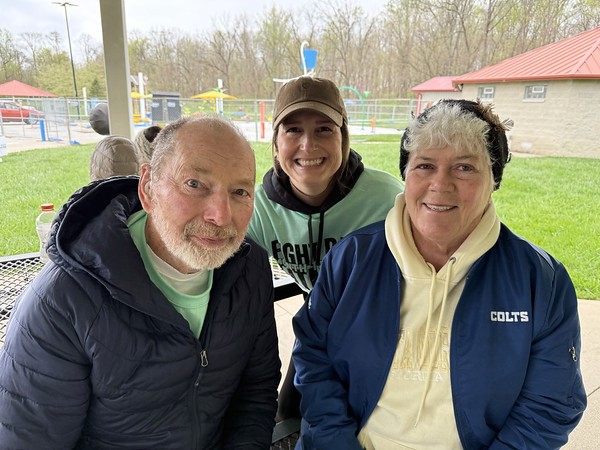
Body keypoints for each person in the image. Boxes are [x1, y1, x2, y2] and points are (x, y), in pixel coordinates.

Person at [292, 99, 587, 449]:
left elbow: (550, 406)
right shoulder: (350, 259)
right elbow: (313, 359)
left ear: (493, 180)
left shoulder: (540, 281)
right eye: (425, 166)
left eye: (464, 167)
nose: (440, 184)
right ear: (406, 175)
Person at [0, 115, 281, 448]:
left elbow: (256, 391)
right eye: (194, 184)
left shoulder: (250, 268)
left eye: (239, 191)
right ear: (148, 189)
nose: (220, 215)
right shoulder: (63, 301)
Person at [246, 76, 404, 421]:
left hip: (382, 327)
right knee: (286, 415)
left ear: (343, 137)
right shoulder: (258, 210)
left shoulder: (387, 199)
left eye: (323, 129)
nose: (308, 145)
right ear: (275, 142)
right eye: (292, 130)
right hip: (316, 322)